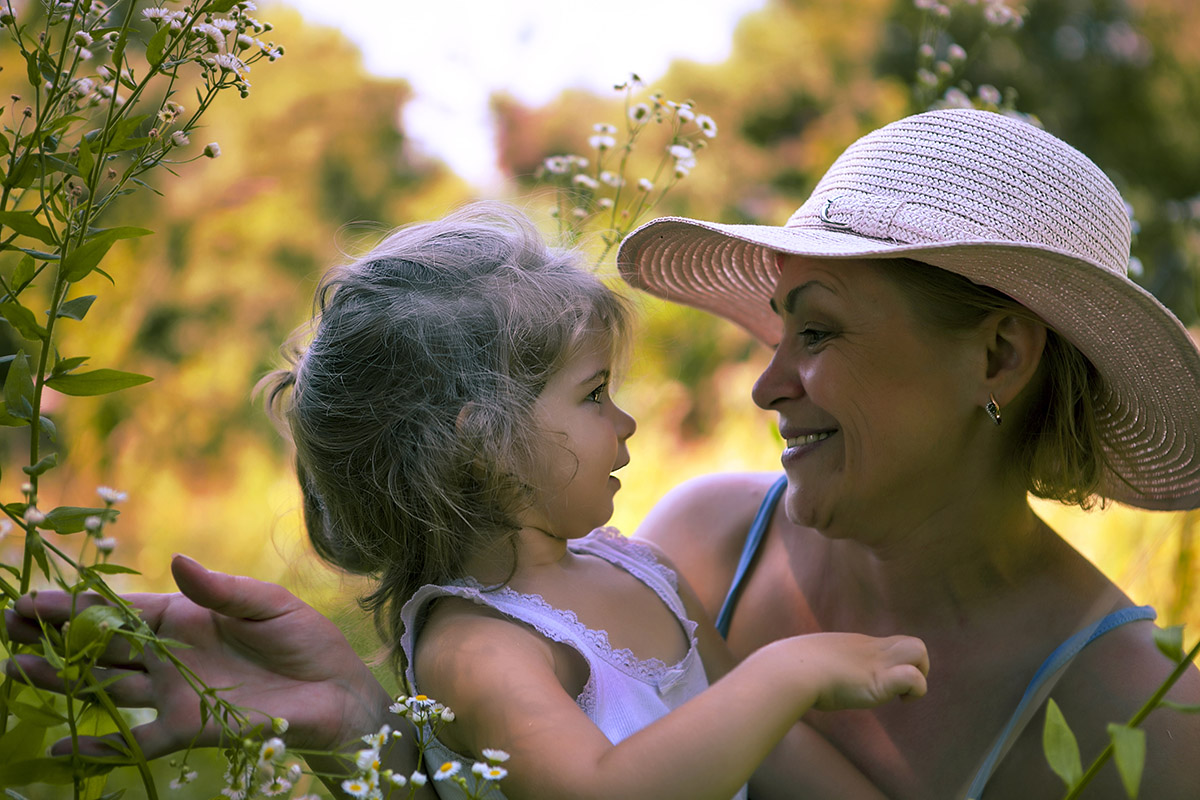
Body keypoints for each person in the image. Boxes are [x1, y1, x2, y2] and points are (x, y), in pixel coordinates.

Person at [7, 204, 928, 800]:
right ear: (479, 437)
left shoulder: (637, 569)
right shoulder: (479, 645)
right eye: (595, 393)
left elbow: (777, 759)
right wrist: (790, 671)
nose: (629, 422)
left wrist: (777, 701)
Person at [616, 107, 1200, 798]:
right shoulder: (703, 543)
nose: (766, 389)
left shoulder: (1141, 712)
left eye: (818, 332)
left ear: (998, 357)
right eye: (783, 329)